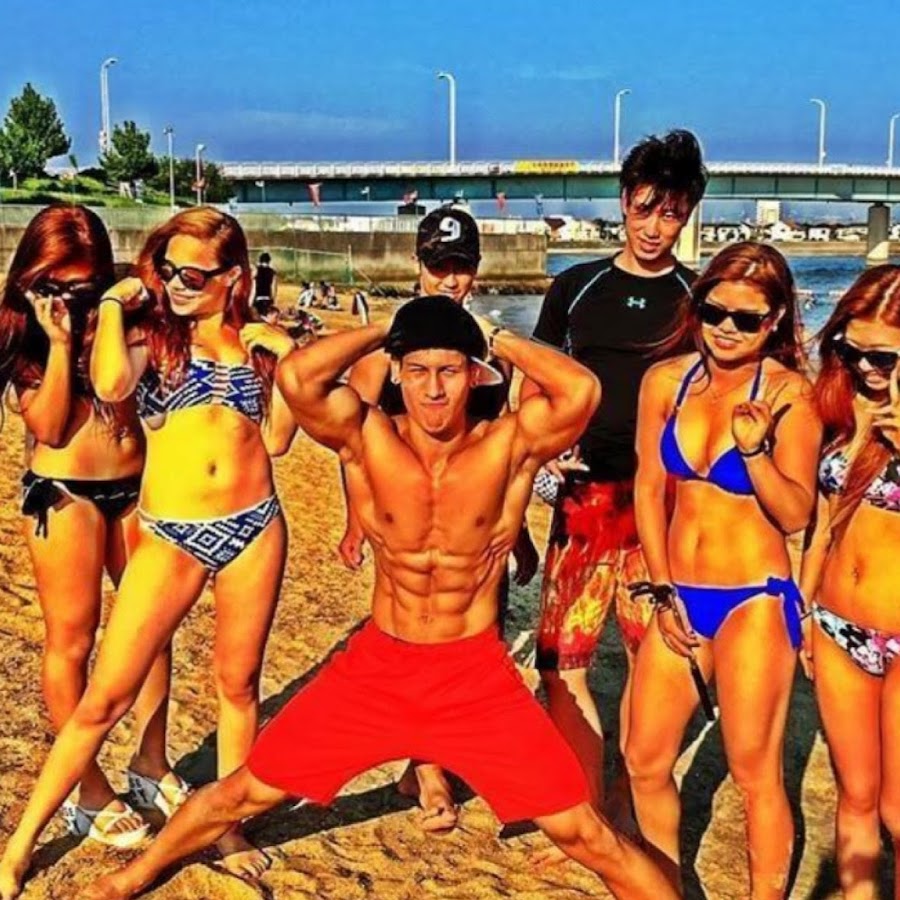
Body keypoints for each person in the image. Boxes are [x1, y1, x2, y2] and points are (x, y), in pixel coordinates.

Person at [75, 295, 678, 900]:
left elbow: (581, 390)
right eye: (417, 370)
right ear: (395, 371)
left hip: (474, 677)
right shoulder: (367, 437)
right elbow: (298, 376)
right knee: (242, 792)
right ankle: (132, 877)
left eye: (449, 371)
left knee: (586, 835)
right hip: (377, 669)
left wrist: (492, 336)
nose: (433, 390)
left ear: (475, 375)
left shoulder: (509, 445)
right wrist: (391, 326)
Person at [0, 208, 300, 896]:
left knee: (238, 686)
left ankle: (226, 826)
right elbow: (110, 385)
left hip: (255, 525)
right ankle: (20, 843)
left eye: (192, 274)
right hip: (171, 532)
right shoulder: (155, 336)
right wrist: (112, 303)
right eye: (167, 270)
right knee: (104, 694)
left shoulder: (256, 345)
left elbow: (278, 439)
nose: (176, 284)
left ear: (233, 277)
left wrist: (285, 355)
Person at [625, 242, 821, 895]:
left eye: (747, 318)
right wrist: (661, 588)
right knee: (644, 759)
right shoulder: (666, 382)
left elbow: (795, 514)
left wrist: (755, 453)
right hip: (679, 592)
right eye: (715, 312)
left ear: (775, 320)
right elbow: (648, 489)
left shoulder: (790, 395)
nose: (727, 329)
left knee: (753, 771)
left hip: (753, 600)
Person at [339, 207, 539, 832]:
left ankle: (431, 759)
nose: (449, 280)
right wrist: (356, 519)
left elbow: (505, 451)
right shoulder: (386, 360)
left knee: (478, 640)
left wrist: (519, 530)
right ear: (418, 265)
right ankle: (428, 772)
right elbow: (351, 444)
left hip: (475, 526)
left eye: (461, 268)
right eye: (437, 266)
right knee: (418, 640)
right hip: (406, 520)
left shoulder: (492, 358)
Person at [528, 130, 707, 818]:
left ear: (687, 215)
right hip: (584, 501)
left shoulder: (699, 296)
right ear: (624, 200)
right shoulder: (577, 287)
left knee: (650, 657)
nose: (655, 227)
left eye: (672, 214)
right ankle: (587, 803)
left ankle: (633, 799)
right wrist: (543, 449)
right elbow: (540, 380)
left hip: (662, 506)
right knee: (562, 661)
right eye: (644, 209)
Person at [0, 204, 175, 847]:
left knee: (152, 627)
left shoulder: (121, 313)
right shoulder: (22, 327)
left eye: (83, 286)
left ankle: (151, 760)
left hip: (134, 487)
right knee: (72, 641)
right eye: (54, 285)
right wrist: (57, 341)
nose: (67, 300)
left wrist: (116, 307)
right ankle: (89, 788)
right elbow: (48, 427)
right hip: (65, 493)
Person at [799, 265, 900, 898]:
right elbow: (821, 523)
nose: (864, 366)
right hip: (838, 624)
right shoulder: (840, 406)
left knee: (899, 811)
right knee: (856, 798)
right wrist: (805, 610)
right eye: (850, 349)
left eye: (883, 357)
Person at [252, 252, 277, 317]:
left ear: (260, 260)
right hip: (267, 299)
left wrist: (251, 301)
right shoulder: (272, 272)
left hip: (258, 299)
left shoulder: (256, 271)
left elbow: (253, 288)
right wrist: (273, 301)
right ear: (269, 261)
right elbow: (274, 288)